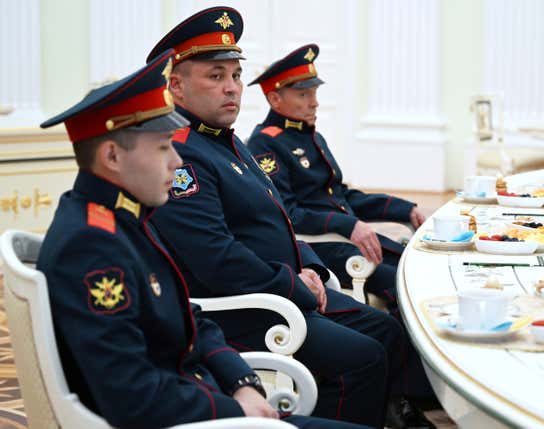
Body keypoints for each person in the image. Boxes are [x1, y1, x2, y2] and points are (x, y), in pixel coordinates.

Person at [37, 49, 365, 429]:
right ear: (111, 156)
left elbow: (189, 316)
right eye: (163, 147)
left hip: (212, 399)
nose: (177, 161)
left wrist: (242, 382)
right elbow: (132, 396)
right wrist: (237, 411)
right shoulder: (92, 246)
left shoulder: (122, 217)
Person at [146, 7, 433, 428]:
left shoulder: (227, 143)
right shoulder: (184, 154)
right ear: (177, 86)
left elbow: (276, 222)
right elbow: (215, 256)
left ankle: (394, 412)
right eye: (215, 76)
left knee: (385, 328)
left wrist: (313, 266)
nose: (231, 88)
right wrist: (293, 284)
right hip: (246, 309)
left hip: (283, 288)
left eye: (235, 76)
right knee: (363, 357)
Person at [246, 44, 427, 316]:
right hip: (321, 247)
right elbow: (287, 214)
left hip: (346, 240)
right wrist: (347, 224)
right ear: (274, 100)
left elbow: (339, 195)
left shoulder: (312, 137)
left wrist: (405, 209)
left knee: (418, 265)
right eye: (303, 94)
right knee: (405, 283)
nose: (314, 102)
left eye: (315, 93)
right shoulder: (265, 143)